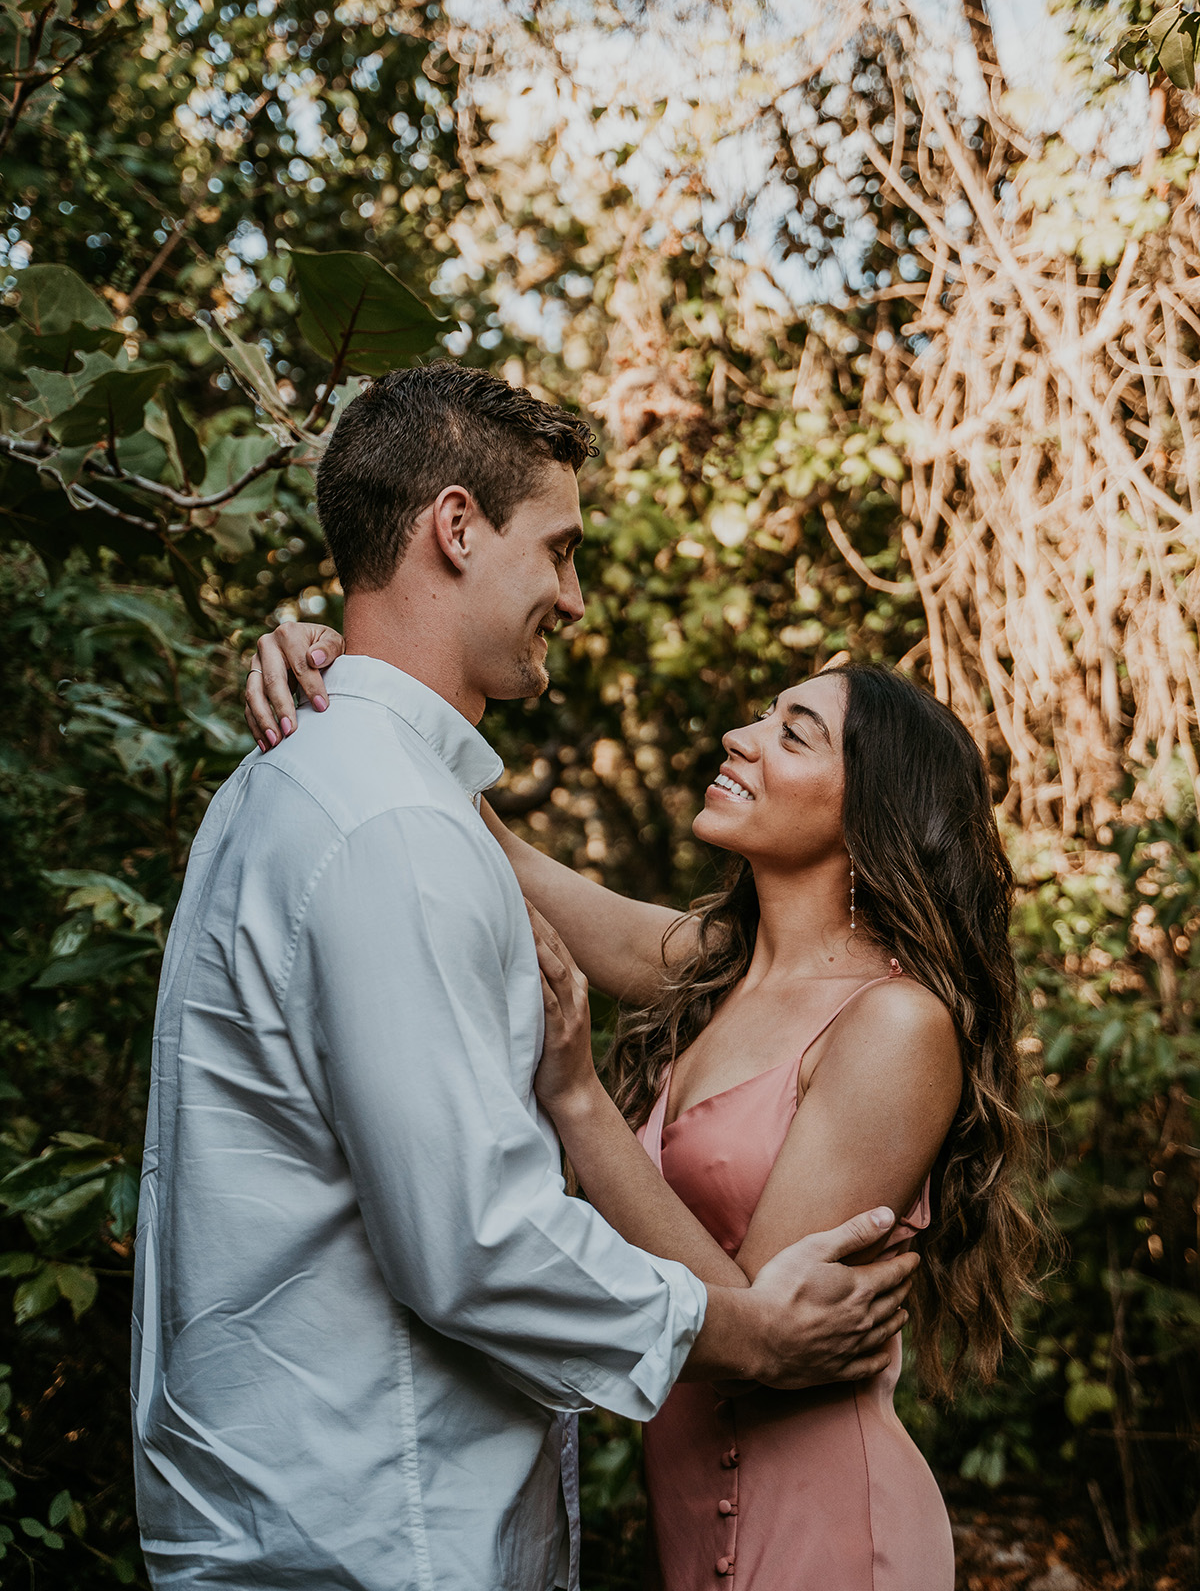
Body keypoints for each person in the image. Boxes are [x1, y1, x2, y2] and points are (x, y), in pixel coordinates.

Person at [137, 360, 918, 1591]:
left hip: (362, 1513)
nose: (573, 593)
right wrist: (744, 1334)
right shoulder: (391, 821)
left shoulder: (339, 791)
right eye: (558, 549)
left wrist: (355, 687)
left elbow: (599, 926)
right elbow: (474, 1241)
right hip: (375, 1529)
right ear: (455, 526)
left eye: (795, 729)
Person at [254, 628, 1039, 1591]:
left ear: (870, 811)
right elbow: (501, 853)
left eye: (792, 735)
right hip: (692, 1540)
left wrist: (579, 1098)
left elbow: (752, 1328)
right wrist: (345, 674)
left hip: (836, 1532)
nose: (740, 736)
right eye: (762, 715)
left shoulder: (895, 1026)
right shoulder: (715, 968)